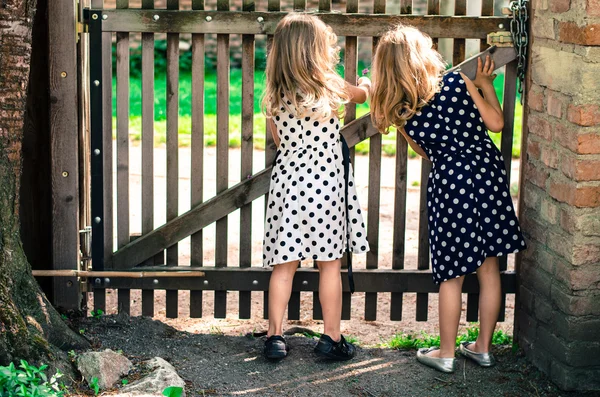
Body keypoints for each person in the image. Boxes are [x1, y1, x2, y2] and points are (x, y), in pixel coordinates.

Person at [370, 25, 526, 373]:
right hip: (486, 175)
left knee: (451, 275)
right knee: (489, 267)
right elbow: (497, 123)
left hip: (450, 183)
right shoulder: (458, 83)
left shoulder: (403, 113)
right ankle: (483, 348)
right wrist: (486, 86)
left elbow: (426, 153)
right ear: (423, 56)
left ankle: (446, 352)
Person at [261, 13, 371, 361]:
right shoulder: (330, 86)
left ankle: (275, 337)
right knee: (330, 264)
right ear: (315, 50)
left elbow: (278, 141)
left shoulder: (275, 95)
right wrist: (367, 83)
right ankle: (331, 338)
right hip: (325, 185)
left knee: (284, 266)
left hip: (288, 183)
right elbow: (362, 97)